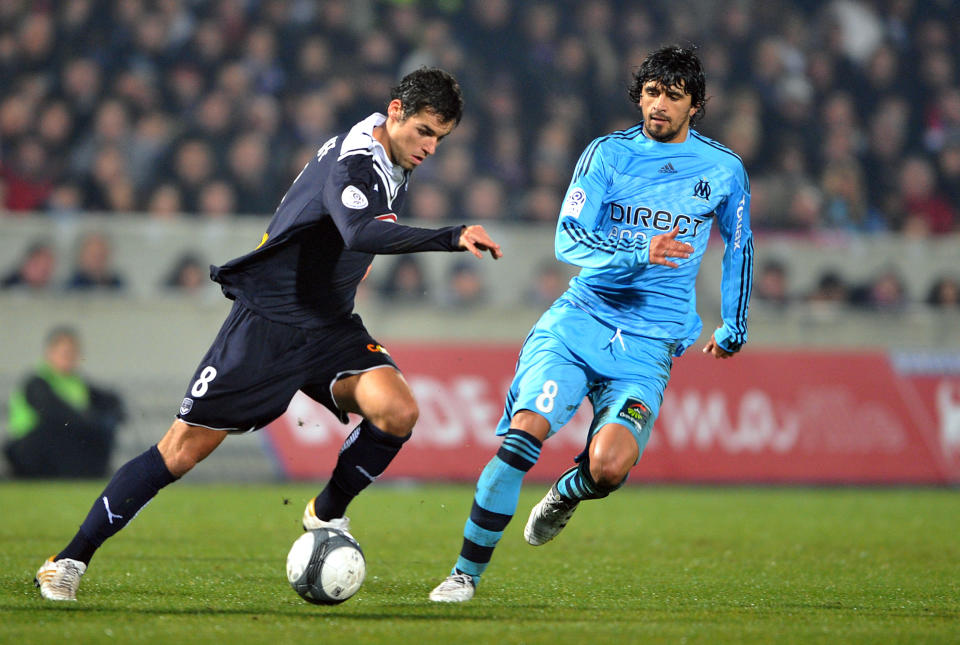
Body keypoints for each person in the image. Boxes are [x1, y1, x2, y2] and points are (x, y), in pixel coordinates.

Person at [35, 67, 502, 601]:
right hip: (269, 324)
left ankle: (325, 513)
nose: (431, 147)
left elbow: (344, 236)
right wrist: (452, 235)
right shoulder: (357, 161)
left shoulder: (393, 154)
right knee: (179, 453)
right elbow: (358, 229)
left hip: (329, 326)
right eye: (424, 131)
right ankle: (68, 559)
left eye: (440, 139)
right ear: (396, 111)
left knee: (398, 412)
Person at [429, 45, 753, 602]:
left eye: (673, 97)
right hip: (581, 323)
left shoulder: (722, 170)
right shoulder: (606, 155)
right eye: (651, 93)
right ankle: (464, 574)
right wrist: (639, 248)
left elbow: (740, 244)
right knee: (524, 432)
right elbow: (567, 239)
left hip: (649, 344)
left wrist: (733, 324)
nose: (659, 105)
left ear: (695, 106)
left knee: (608, 467)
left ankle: (568, 491)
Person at [4, 327, 125, 478]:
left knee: (100, 428)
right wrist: (90, 419)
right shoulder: (36, 382)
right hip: (30, 445)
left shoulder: (77, 383)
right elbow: (54, 411)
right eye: (64, 353)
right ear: (50, 353)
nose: (69, 358)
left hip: (62, 445)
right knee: (60, 428)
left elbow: (109, 400)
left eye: (72, 353)